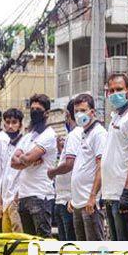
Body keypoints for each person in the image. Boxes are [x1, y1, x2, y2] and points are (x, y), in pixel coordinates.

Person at [102, 73, 128, 241]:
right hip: (111, 194)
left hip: (124, 195)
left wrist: (127, 191)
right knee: (117, 248)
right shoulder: (116, 117)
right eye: (111, 90)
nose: (115, 94)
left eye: (119, 89)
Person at [11, 94, 58, 237]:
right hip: (24, 195)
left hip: (40, 196)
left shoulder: (49, 135)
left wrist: (26, 158)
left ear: (46, 113)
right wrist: (28, 159)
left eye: (38, 109)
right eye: (32, 109)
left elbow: (27, 159)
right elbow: (13, 162)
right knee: (29, 242)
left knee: (43, 240)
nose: (34, 112)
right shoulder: (28, 136)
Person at [69, 93, 108, 241]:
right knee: (82, 249)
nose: (79, 114)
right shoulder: (84, 134)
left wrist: (93, 197)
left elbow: (101, 166)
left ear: (92, 112)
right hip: (78, 203)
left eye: (83, 110)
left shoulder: (99, 134)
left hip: (90, 203)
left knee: (94, 248)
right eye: (76, 111)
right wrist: (73, 198)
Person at [47, 99, 80, 241]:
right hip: (63, 198)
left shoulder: (74, 135)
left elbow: (69, 164)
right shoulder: (76, 135)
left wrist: (52, 172)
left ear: (67, 115)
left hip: (67, 199)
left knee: (68, 242)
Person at [0, 108, 25, 233]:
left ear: (20, 125)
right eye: (7, 122)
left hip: (16, 200)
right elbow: (4, 175)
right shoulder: (6, 146)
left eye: (14, 122)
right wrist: (0, 203)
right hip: (6, 201)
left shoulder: (25, 144)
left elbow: (25, 173)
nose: (10, 126)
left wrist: (17, 198)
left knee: (19, 238)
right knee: (6, 239)